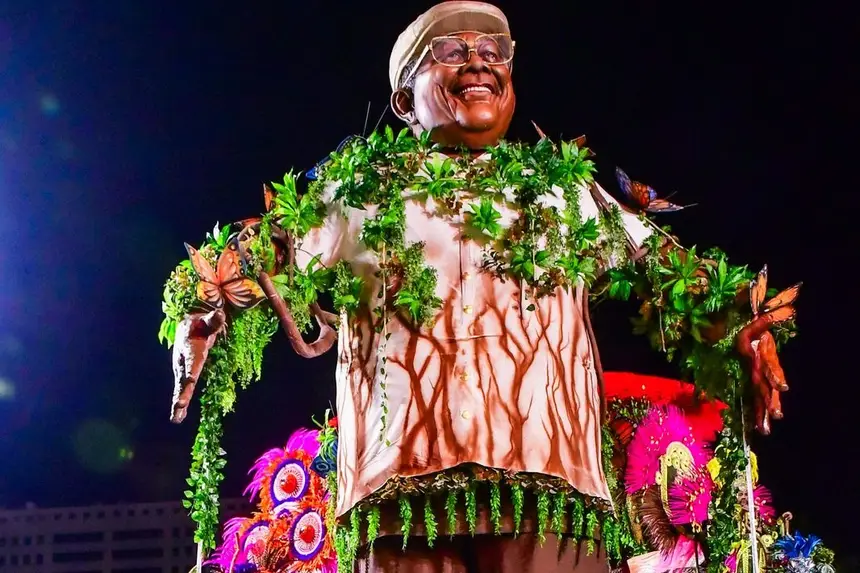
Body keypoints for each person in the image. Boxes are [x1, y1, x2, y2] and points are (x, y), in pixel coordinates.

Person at [168, 2, 791, 572]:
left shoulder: (566, 192)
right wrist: (204, 305)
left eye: (494, 52)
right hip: (400, 506)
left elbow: (674, 276)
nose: (477, 63)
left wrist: (742, 323)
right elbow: (255, 257)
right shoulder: (351, 193)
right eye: (450, 51)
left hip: (548, 496)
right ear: (404, 101)